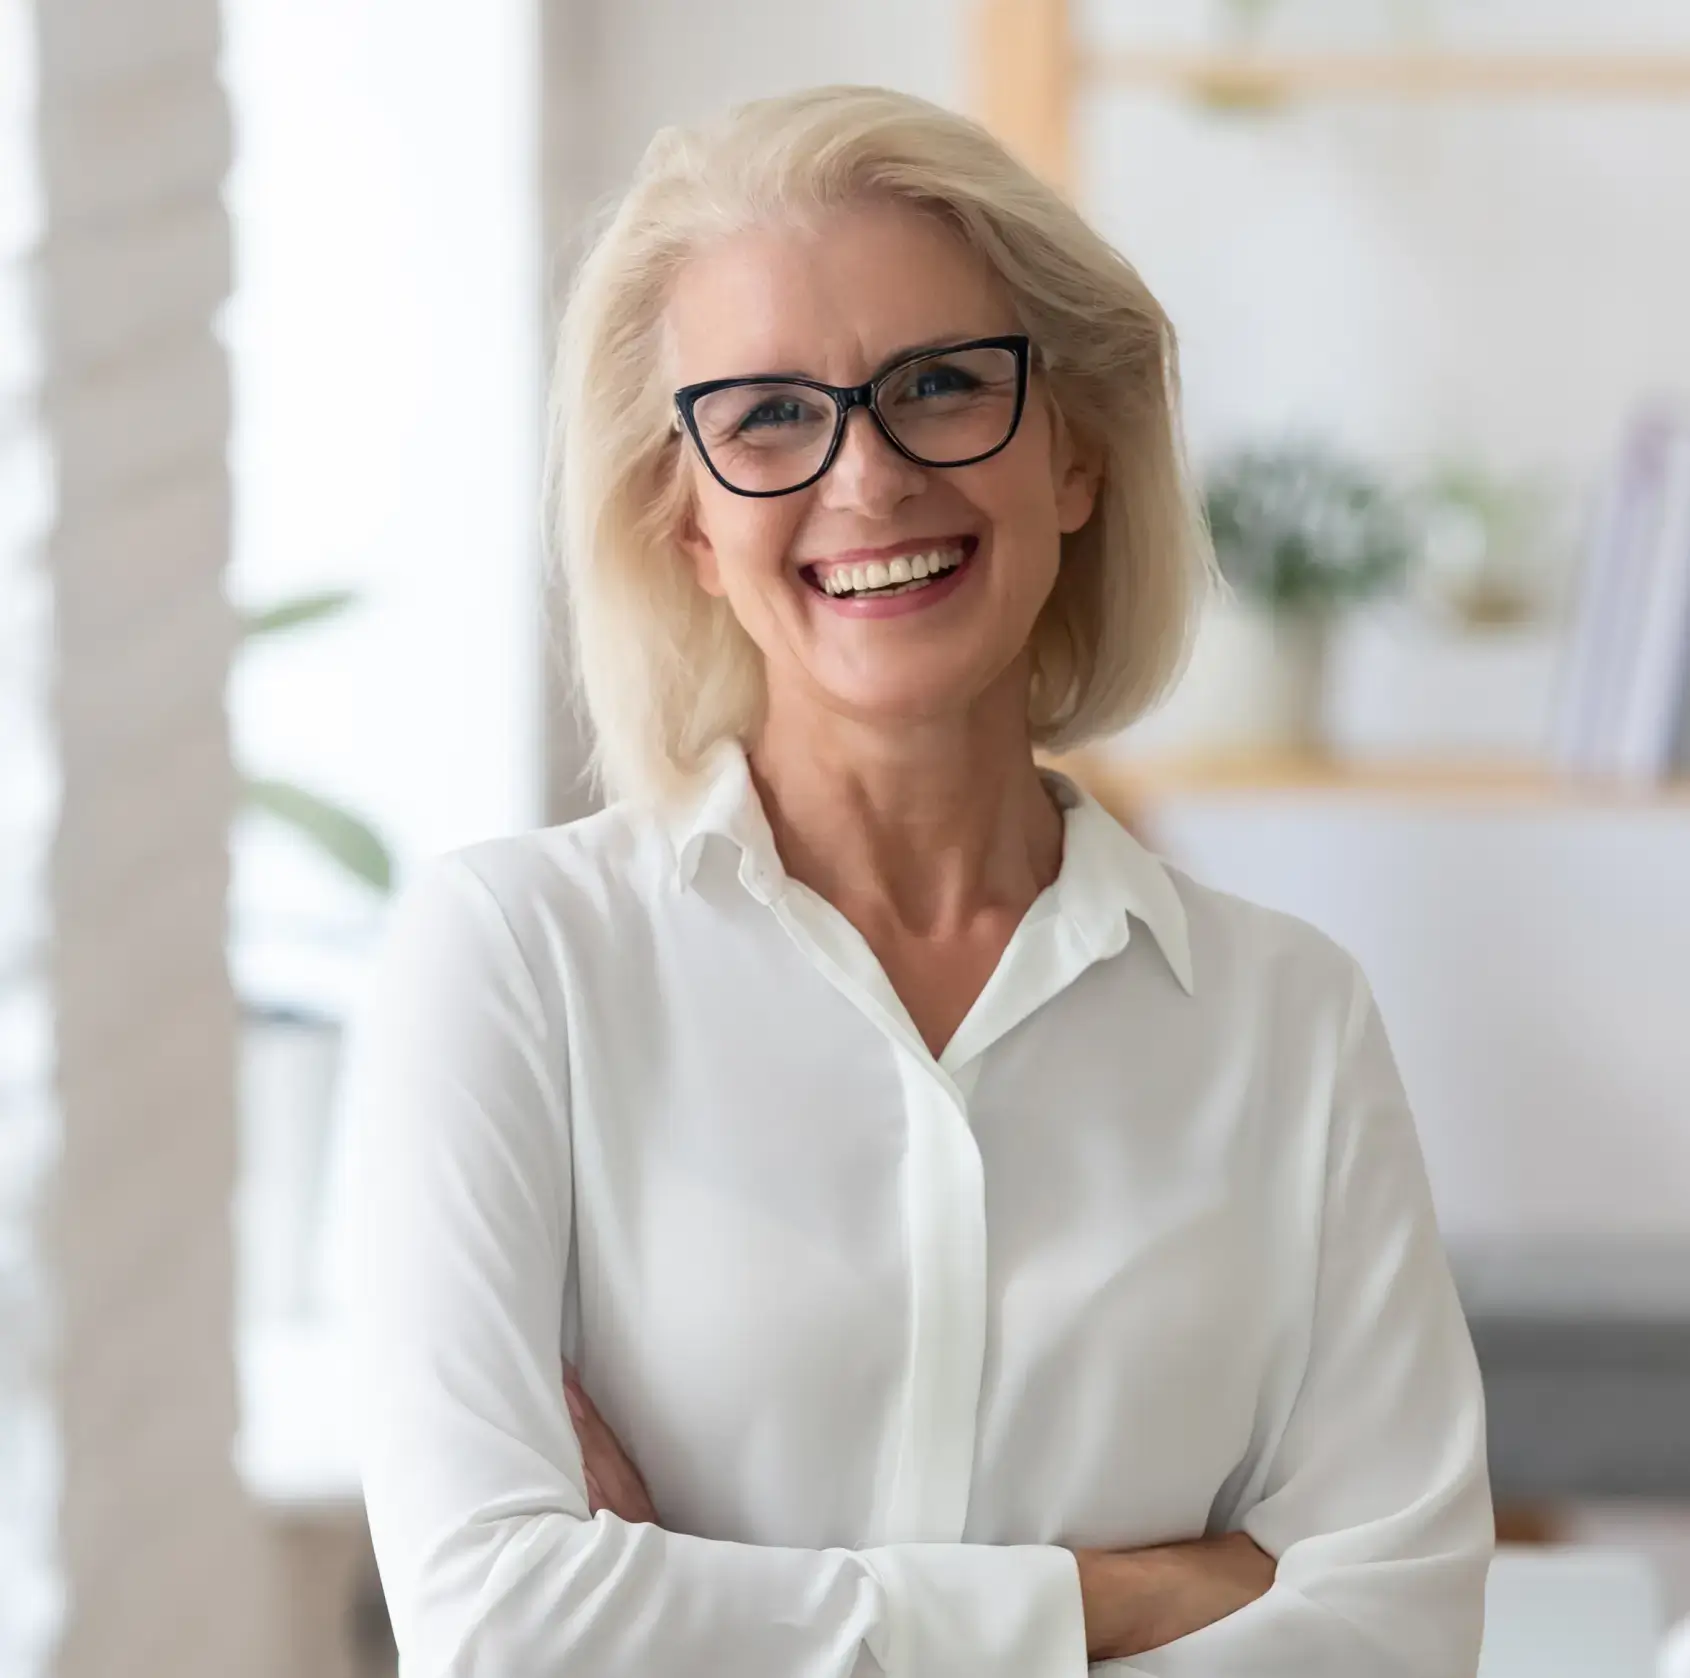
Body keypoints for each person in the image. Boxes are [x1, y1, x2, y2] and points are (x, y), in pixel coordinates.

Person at [345, 83, 1493, 1677]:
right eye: (764, 416)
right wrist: (1130, 1597)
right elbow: (500, 1627)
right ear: (682, 522)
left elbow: (1398, 1633)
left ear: (1075, 455)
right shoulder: (513, 967)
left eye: (942, 385)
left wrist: (694, 1603)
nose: (867, 481)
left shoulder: (1283, 1018)